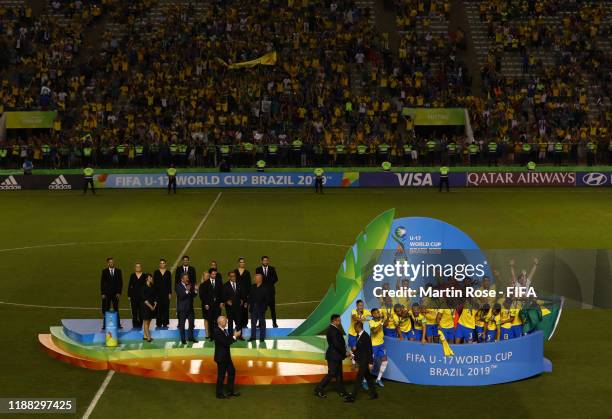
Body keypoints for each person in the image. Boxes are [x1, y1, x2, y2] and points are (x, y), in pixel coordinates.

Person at [315, 314, 349, 398]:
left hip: (336, 355)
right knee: (332, 373)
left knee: (339, 374)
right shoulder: (333, 330)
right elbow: (337, 344)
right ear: (334, 321)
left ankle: (342, 391)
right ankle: (319, 389)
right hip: (334, 356)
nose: (340, 322)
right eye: (339, 320)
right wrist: (345, 352)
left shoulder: (333, 329)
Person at [344, 321, 377, 402]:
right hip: (362, 360)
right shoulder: (359, 336)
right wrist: (353, 353)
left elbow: (369, 350)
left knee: (359, 379)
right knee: (369, 378)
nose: (354, 329)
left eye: (355, 328)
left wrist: (370, 363)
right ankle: (374, 394)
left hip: (364, 362)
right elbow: (360, 349)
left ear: (358, 327)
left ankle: (352, 397)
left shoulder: (365, 337)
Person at [214, 316, 241, 399]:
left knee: (232, 371)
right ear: (220, 322)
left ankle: (230, 391)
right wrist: (234, 336)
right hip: (221, 358)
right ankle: (219, 394)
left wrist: (233, 335)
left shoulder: (223, 330)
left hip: (226, 357)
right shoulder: (217, 331)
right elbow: (226, 343)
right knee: (221, 375)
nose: (226, 322)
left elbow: (227, 340)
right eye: (225, 321)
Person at [199, 270, 224, 340]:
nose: (214, 276)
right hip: (209, 306)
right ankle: (212, 336)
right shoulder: (205, 283)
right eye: (213, 274)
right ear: (210, 274)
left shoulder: (219, 282)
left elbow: (222, 292)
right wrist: (206, 303)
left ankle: (217, 335)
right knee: (210, 321)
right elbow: (204, 295)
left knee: (217, 321)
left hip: (217, 305)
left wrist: (222, 302)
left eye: (215, 274)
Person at [255, 256, 279, 328]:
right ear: (262, 261)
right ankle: (260, 323)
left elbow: (276, 278)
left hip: (271, 293)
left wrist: (268, 283)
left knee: (272, 309)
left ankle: (274, 323)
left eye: (266, 260)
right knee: (261, 309)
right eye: (264, 260)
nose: (265, 262)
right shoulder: (258, 269)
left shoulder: (272, 269)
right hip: (261, 293)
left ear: (268, 261)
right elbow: (257, 279)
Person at [100, 257, 123, 330]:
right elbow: (102, 283)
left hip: (115, 294)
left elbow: (120, 282)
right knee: (106, 309)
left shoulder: (118, 271)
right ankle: (104, 325)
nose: (112, 263)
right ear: (108, 263)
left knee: (116, 309)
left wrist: (119, 292)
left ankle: (118, 324)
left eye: (113, 262)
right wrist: (103, 293)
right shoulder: (104, 271)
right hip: (107, 294)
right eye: (110, 262)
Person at [368, 308, 387, 387]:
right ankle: (365, 380)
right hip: (373, 345)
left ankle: (378, 379)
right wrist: (382, 323)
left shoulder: (380, 320)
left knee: (385, 361)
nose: (378, 314)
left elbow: (386, 325)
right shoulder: (371, 322)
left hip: (381, 344)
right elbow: (374, 331)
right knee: (370, 364)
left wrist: (387, 318)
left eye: (378, 312)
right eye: (376, 313)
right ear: (373, 315)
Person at [176, 273, 197, 344]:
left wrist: (196, 290)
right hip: (182, 309)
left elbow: (193, 295)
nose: (188, 279)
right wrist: (187, 290)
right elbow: (181, 296)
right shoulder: (178, 286)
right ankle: (183, 339)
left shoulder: (189, 285)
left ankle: (191, 338)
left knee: (191, 324)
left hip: (190, 308)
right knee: (182, 325)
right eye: (186, 278)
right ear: (182, 279)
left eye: (187, 278)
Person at [223, 271, 244, 338]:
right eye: (231, 276)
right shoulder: (225, 285)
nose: (233, 277)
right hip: (230, 307)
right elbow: (223, 296)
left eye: (234, 276)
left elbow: (242, 294)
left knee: (239, 321)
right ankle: (230, 336)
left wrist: (242, 300)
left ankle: (239, 335)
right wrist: (226, 301)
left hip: (238, 306)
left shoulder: (239, 284)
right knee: (230, 322)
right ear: (229, 277)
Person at [248, 273, 268, 342]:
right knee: (253, 323)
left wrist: (264, 308)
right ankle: (253, 337)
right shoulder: (252, 286)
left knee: (262, 322)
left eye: (256, 278)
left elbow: (266, 299)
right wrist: (248, 304)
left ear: (260, 279)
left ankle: (262, 337)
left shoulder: (265, 287)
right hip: (253, 307)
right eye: (255, 278)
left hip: (261, 308)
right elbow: (250, 297)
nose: (255, 279)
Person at [153, 258, 172, 328]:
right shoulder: (156, 272)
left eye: (163, 263)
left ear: (165, 264)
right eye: (161, 263)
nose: (162, 264)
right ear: (159, 264)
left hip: (166, 293)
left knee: (166, 308)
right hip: (158, 293)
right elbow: (154, 284)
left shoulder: (168, 273)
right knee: (158, 308)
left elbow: (170, 283)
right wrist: (154, 294)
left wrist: (170, 293)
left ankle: (165, 322)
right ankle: (158, 322)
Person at [234, 258, 252, 329]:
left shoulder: (247, 272)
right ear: (238, 263)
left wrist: (248, 295)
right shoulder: (235, 271)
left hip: (245, 295)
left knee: (244, 309)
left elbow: (249, 284)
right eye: (241, 262)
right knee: (237, 310)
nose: (242, 263)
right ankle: (237, 323)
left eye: (243, 262)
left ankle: (244, 324)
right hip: (237, 295)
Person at [127, 263, 146, 329]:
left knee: (141, 311)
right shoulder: (132, 275)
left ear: (141, 268)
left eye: (139, 267)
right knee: (134, 311)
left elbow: (146, 286)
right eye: (136, 267)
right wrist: (129, 295)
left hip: (142, 297)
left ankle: (140, 324)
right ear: (135, 268)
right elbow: (130, 285)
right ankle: (134, 324)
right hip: (134, 297)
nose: (138, 268)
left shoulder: (144, 276)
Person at [141, 274, 157, 342]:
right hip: (145, 307)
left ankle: (145, 336)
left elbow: (154, 296)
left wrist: (155, 304)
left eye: (151, 277)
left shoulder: (152, 286)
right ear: (147, 279)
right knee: (146, 322)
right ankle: (148, 337)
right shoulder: (143, 287)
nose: (151, 278)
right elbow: (144, 299)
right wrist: (151, 306)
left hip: (151, 306)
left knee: (149, 321)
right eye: (150, 277)